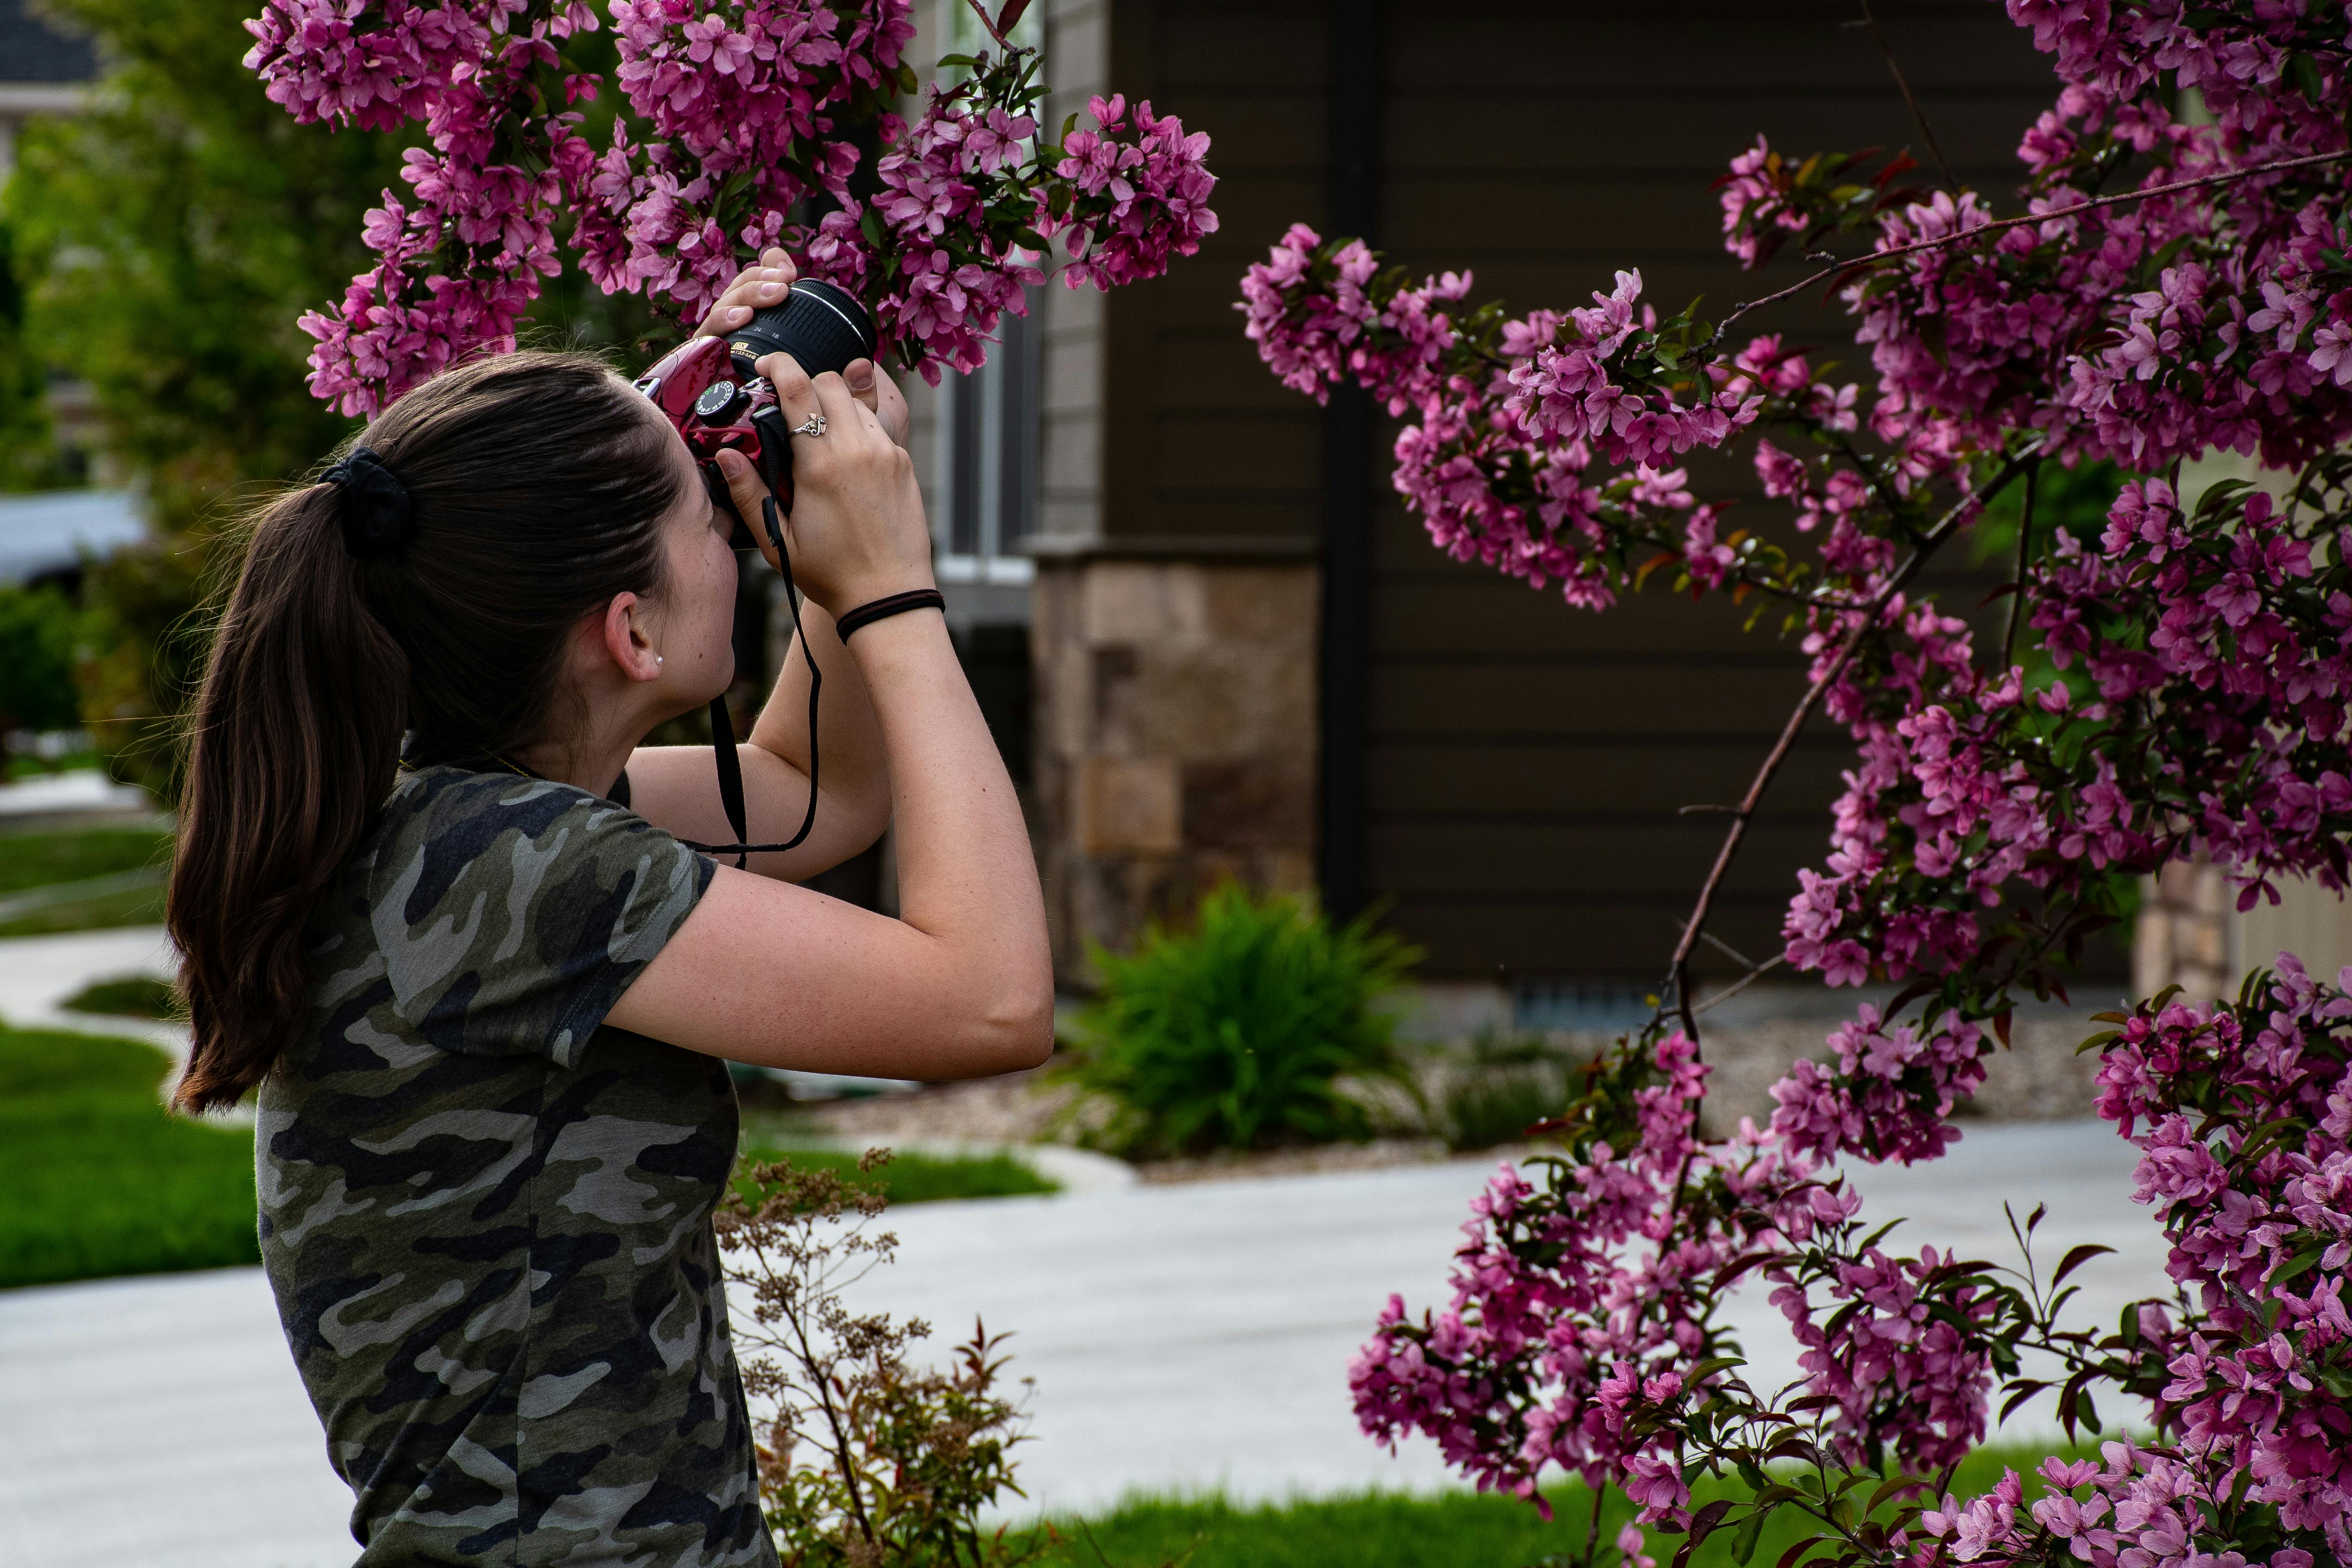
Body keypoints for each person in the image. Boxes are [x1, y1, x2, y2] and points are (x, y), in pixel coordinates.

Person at [165, 253, 1055, 1567]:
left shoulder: (450, 831)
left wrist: (835, 532)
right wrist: (893, 594)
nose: (728, 519)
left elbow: (813, 787)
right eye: (706, 511)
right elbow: (991, 1002)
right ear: (630, 634)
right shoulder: (516, 869)